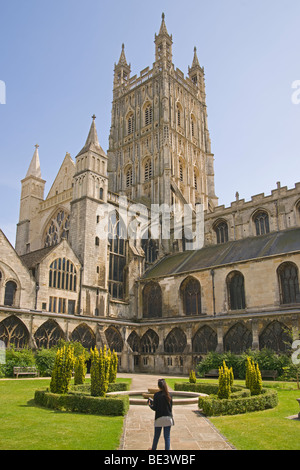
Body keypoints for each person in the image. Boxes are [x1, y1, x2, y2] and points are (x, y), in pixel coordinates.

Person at [148, 378, 174, 451]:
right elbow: (170, 407)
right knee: (167, 437)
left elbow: (155, 408)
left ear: (159, 386)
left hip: (159, 418)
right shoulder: (169, 395)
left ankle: (153, 449)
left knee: (156, 436)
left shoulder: (156, 395)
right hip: (168, 418)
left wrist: (150, 405)